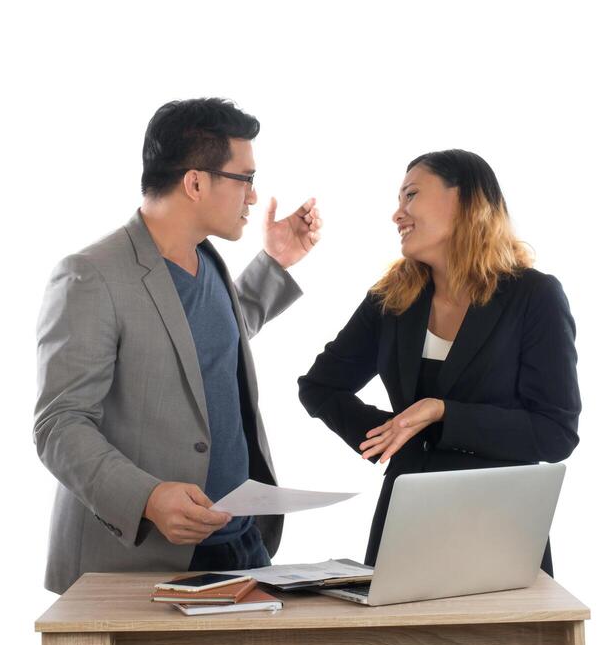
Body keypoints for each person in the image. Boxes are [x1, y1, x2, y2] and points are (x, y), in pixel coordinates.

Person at [35, 98, 321, 594]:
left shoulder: (208, 260)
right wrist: (146, 497)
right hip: (139, 560)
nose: (252, 197)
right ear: (195, 182)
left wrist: (275, 263)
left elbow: (201, 347)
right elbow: (59, 424)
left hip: (241, 544)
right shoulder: (90, 274)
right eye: (245, 179)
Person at [298, 149, 580, 576]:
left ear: (465, 201)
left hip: (502, 530)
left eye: (411, 195)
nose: (398, 214)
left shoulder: (532, 297)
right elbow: (319, 386)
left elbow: (555, 433)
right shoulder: (390, 299)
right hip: (407, 524)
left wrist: (443, 413)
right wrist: (396, 436)